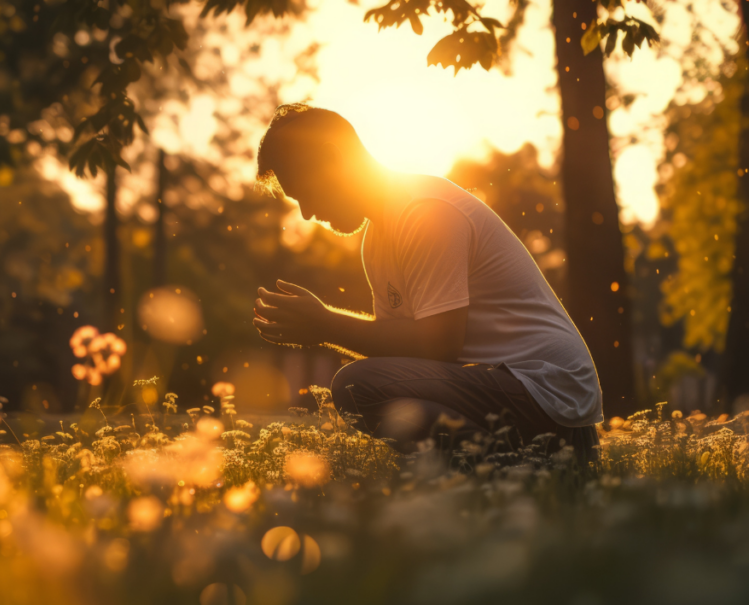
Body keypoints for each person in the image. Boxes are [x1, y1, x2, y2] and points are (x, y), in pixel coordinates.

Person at [251, 104, 602, 459]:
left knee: (355, 384)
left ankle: (509, 471)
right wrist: (324, 326)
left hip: (548, 396)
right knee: (367, 384)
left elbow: (440, 344)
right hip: (514, 391)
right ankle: (490, 474)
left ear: (331, 159)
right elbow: (403, 351)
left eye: (304, 194)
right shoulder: (377, 240)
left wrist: (326, 324)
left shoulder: (426, 211)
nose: (308, 213)